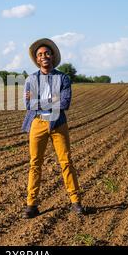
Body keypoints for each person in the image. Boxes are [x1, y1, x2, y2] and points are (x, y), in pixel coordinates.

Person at [21, 38, 83, 219]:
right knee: (35, 164)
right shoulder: (31, 79)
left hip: (58, 124)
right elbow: (28, 104)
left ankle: (76, 202)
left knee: (66, 163)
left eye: (46, 53)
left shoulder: (63, 78)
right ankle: (31, 205)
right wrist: (50, 101)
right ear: (37, 59)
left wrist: (38, 101)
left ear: (52, 55)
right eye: (40, 54)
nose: (43, 56)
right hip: (37, 123)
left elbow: (64, 103)